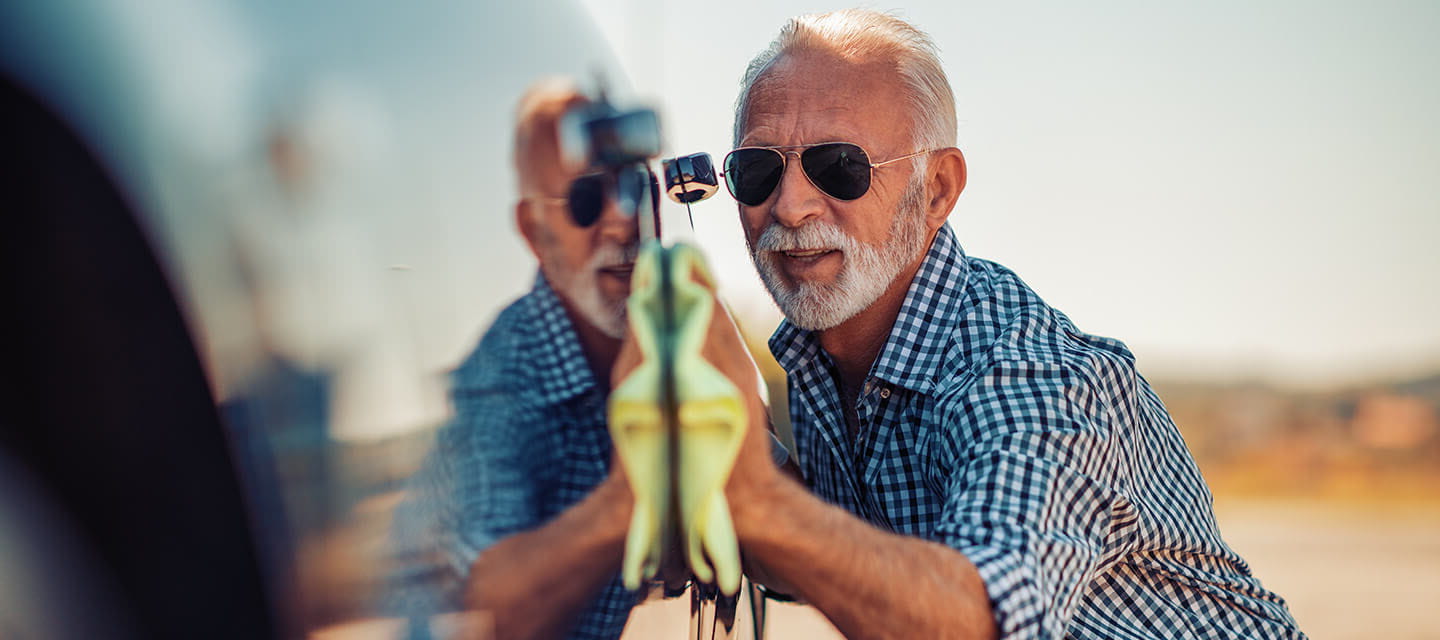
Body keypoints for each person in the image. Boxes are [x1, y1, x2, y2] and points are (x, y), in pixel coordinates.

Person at [709, 9, 1309, 639]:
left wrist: (761, 501)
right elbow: (839, 551)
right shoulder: (825, 350)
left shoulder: (1030, 375)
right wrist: (737, 456)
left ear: (937, 189)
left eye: (840, 166)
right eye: (758, 170)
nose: (790, 204)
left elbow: (980, 621)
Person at [388, 80, 646, 640]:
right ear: (534, 230)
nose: (623, 222)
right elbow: (492, 610)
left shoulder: (666, 334)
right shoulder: (499, 378)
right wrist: (638, 490)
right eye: (584, 198)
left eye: (633, 186)